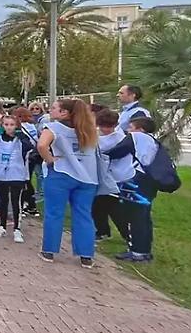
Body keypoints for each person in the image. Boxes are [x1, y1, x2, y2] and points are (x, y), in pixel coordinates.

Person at [36, 98, 99, 268]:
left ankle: (49, 251)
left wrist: (50, 160)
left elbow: (42, 145)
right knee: (84, 215)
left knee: (55, 213)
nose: (51, 109)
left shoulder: (54, 127)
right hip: (88, 176)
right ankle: (86, 255)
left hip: (62, 173)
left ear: (64, 112)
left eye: (55, 107)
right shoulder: (89, 129)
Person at [103, 115, 160, 262]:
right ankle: (144, 249)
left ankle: (137, 252)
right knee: (144, 216)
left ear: (140, 129)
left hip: (137, 181)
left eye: (130, 127)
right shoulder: (152, 140)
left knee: (135, 216)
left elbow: (116, 151)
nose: (127, 130)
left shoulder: (136, 137)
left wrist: (100, 154)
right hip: (149, 181)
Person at [0, 114, 32, 243]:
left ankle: (17, 229)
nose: (9, 127)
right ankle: (2, 226)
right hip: (1, 174)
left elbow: (29, 146)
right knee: (3, 201)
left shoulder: (20, 139)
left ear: (16, 126)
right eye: (6, 125)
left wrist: (20, 134)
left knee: (16, 201)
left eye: (12, 125)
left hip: (17, 174)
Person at [93, 109, 133, 241]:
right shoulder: (99, 137)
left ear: (115, 125)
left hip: (117, 177)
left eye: (109, 126)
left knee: (114, 208)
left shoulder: (120, 138)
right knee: (99, 206)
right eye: (102, 125)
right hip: (106, 177)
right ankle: (103, 230)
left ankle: (127, 235)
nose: (105, 129)